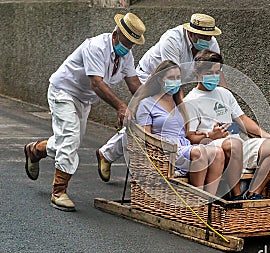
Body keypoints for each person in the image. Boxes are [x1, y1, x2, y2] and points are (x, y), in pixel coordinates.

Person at [23, 13, 146, 211]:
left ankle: (36, 150)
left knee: (69, 141)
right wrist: (122, 107)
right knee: (70, 138)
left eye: (132, 44)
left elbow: (134, 84)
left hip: (83, 99)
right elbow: (96, 83)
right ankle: (59, 192)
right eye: (127, 42)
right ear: (116, 34)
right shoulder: (96, 46)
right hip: (63, 91)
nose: (128, 47)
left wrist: (151, 101)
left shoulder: (126, 55)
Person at [97, 13, 224, 182]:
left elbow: (217, 73)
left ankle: (107, 153)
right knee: (143, 120)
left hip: (176, 80)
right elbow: (170, 75)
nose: (207, 41)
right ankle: (108, 153)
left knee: (173, 121)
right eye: (202, 37)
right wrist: (132, 107)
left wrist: (223, 99)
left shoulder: (210, 42)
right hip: (154, 76)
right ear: (191, 33)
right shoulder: (172, 39)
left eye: (209, 37)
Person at [183, 50, 270, 200]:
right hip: (214, 149)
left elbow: (242, 119)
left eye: (217, 72)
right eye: (209, 72)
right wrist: (211, 135)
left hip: (237, 144)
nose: (214, 76)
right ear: (197, 72)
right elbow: (190, 136)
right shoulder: (190, 101)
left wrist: (264, 134)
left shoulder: (224, 94)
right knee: (233, 144)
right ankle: (236, 196)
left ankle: (254, 193)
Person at [133, 60, 224, 194]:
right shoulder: (146, 104)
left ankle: (210, 200)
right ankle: (197, 198)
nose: (175, 81)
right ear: (159, 79)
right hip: (165, 150)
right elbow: (145, 138)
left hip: (184, 147)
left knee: (218, 153)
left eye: (178, 78)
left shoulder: (179, 104)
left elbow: (187, 134)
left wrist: (209, 135)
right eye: (171, 78)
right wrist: (170, 147)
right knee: (200, 153)